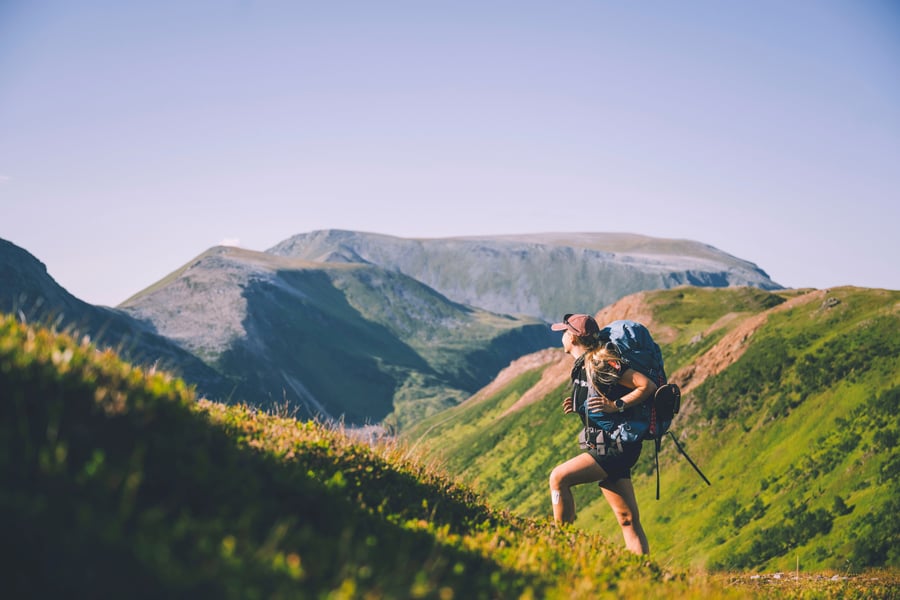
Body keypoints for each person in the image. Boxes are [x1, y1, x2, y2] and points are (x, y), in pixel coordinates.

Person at [547, 313, 657, 555]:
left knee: (558, 478)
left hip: (613, 446)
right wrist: (579, 403)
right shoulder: (584, 365)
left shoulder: (600, 363)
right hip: (616, 445)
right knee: (627, 519)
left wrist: (616, 405)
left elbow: (646, 385)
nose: (562, 337)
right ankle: (645, 573)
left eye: (565, 332)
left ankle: (561, 546)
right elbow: (598, 392)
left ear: (574, 338)